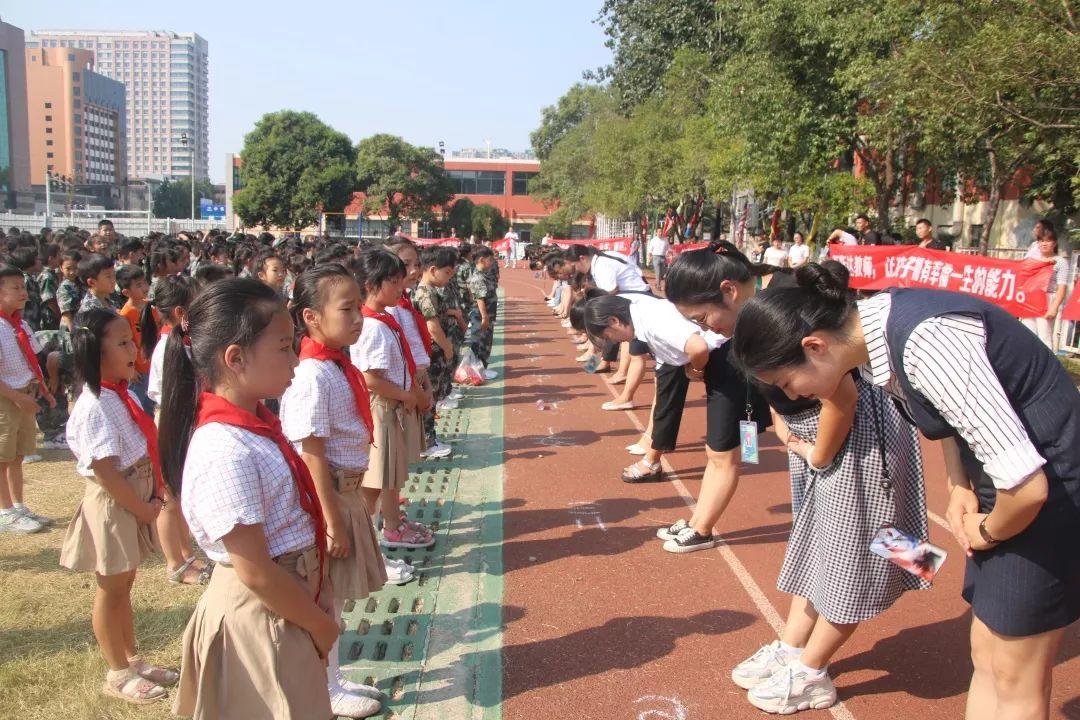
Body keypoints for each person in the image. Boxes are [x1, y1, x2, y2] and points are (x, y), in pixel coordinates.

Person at [730, 263, 1080, 720]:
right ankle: (803, 650)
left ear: (814, 346)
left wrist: (987, 532)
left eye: (786, 384)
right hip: (1007, 487)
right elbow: (947, 418)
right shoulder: (873, 338)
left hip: (1047, 493)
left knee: (1015, 674)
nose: (792, 395)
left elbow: (1028, 489)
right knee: (988, 654)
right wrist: (958, 483)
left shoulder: (924, 340)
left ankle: (811, 667)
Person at [159, 278, 337, 718]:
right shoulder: (225, 448)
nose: (295, 358)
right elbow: (255, 570)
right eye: (284, 347)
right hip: (264, 614)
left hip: (284, 604)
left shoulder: (252, 426)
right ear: (236, 358)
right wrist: (320, 626)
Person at [280, 266, 386, 718]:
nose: (358, 318)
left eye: (358, 307)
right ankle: (324, 689)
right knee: (325, 598)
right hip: (331, 495)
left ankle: (333, 678)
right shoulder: (313, 375)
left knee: (335, 597)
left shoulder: (336, 366)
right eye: (346, 309)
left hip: (345, 491)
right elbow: (312, 454)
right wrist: (331, 519)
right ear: (311, 317)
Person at [59, 307, 175, 704]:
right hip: (116, 503)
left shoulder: (118, 396)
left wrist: (152, 495)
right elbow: (106, 472)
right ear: (96, 351)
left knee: (125, 584)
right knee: (111, 589)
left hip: (133, 497)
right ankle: (117, 671)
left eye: (132, 340)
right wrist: (143, 509)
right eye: (123, 342)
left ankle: (131, 658)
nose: (133, 350)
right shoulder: (95, 404)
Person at [351, 250, 434, 553]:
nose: (401, 287)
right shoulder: (372, 326)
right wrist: (407, 395)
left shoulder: (385, 318)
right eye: (394, 281)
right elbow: (368, 378)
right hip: (382, 408)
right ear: (371, 285)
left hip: (393, 404)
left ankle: (391, 523)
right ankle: (367, 536)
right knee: (376, 479)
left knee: (390, 473)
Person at [583, 294, 712, 483]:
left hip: (719, 355)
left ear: (613, 321)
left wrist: (696, 369)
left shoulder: (651, 322)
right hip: (681, 352)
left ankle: (627, 399)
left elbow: (699, 348)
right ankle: (651, 454)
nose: (614, 342)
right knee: (664, 395)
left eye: (607, 336)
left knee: (720, 450)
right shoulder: (632, 314)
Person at [140, 274, 210, 587]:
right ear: (182, 312)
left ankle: (186, 553)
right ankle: (175, 564)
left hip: (186, 423)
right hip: (174, 425)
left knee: (181, 495)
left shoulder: (185, 342)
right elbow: (167, 396)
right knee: (169, 497)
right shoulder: (169, 347)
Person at [0, 265, 56, 533]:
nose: (23, 292)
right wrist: (16, 397)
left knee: (18, 455)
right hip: (6, 399)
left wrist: (43, 390)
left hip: (25, 395)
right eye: (15, 288)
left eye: (23, 286)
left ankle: (18, 505)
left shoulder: (20, 325)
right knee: (2, 457)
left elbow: (31, 360)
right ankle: (5, 511)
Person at [384, 239, 443, 458]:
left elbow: (415, 347)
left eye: (417, 264)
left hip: (415, 380)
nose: (414, 270)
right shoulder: (391, 309)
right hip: (403, 386)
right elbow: (401, 355)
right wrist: (418, 391)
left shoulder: (404, 301)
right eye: (406, 264)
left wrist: (424, 381)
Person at [116, 265, 156, 412]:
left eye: (145, 282)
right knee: (138, 406)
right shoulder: (125, 315)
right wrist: (130, 368)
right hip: (139, 370)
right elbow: (122, 344)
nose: (145, 287)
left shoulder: (150, 308)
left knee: (152, 406)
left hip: (153, 366)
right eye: (138, 285)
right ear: (126, 292)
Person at [1021, 227, 1069, 349]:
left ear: (1054, 243)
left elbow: (1062, 287)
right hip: (1031, 300)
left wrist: (1054, 307)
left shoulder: (1060, 262)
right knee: (1027, 335)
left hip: (1048, 299)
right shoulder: (1032, 261)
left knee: (1044, 338)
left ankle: (1047, 361)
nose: (1044, 243)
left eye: (1048, 240)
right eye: (1041, 240)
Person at [466, 247, 500, 379]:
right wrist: (484, 317)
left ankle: (482, 369)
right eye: (490, 259)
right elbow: (480, 299)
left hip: (487, 315)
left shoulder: (484, 275)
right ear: (482, 260)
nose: (492, 262)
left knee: (486, 342)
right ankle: (477, 371)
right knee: (480, 343)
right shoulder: (478, 277)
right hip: (480, 316)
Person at [76, 254, 119, 318]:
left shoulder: (106, 298)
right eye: (108, 276)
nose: (113, 280)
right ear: (91, 282)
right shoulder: (91, 310)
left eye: (114, 274)